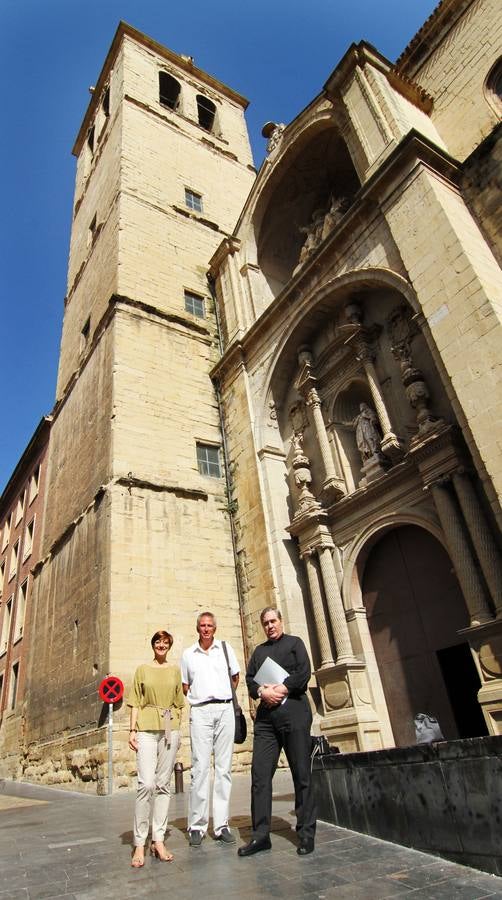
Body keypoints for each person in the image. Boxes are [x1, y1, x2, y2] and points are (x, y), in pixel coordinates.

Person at [238, 607, 316, 858]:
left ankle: (306, 833)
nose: (270, 626)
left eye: (273, 621)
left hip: (294, 713)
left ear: (281, 621)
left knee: (301, 774)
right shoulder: (259, 652)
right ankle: (260, 836)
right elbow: (250, 680)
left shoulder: (295, 643)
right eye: (266, 623)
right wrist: (262, 692)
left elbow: (303, 673)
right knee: (260, 776)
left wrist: (281, 688)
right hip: (266, 721)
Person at [181, 611, 240, 846]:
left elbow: (235, 677)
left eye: (210, 625)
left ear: (215, 628)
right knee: (200, 768)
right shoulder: (188, 654)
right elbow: (185, 685)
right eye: (203, 625)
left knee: (224, 768)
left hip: (225, 708)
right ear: (198, 628)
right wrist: (202, 696)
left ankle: (222, 825)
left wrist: (222, 694)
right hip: (200, 711)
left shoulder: (225, 649)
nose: (206, 629)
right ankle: (197, 825)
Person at [127, 629, 185, 868]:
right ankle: (139, 842)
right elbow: (135, 702)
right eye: (158, 642)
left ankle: (158, 840)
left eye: (165, 642)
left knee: (163, 784)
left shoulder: (175, 670)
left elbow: (179, 702)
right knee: (146, 784)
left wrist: (177, 728)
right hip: (146, 729)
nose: (162, 645)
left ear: (169, 646)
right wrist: (132, 730)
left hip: (170, 728)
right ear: (153, 645)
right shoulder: (142, 669)